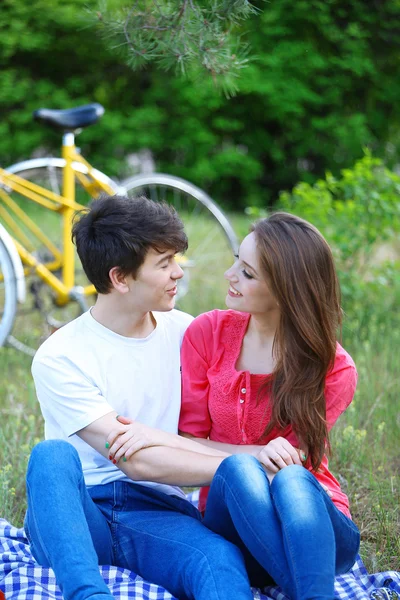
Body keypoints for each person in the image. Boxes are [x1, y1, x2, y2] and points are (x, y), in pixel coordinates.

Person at [25, 194, 255, 600]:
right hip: (79, 514)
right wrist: (244, 464)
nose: (178, 273)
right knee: (51, 456)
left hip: (156, 513)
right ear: (120, 278)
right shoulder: (60, 355)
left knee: (219, 561)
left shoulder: (188, 333)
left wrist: (256, 459)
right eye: (164, 264)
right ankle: (88, 594)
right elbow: (136, 460)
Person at [177, 212, 361, 600]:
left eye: (247, 272)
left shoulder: (333, 368)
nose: (229, 275)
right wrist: (255, 454)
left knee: (293, 478)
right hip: (235, 526)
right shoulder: (207, 334)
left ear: (286, 290)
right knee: (241, 470)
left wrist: (268, 462)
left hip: (316, 530)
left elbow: (294, 467)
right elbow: (186, 442)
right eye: (236, 261)